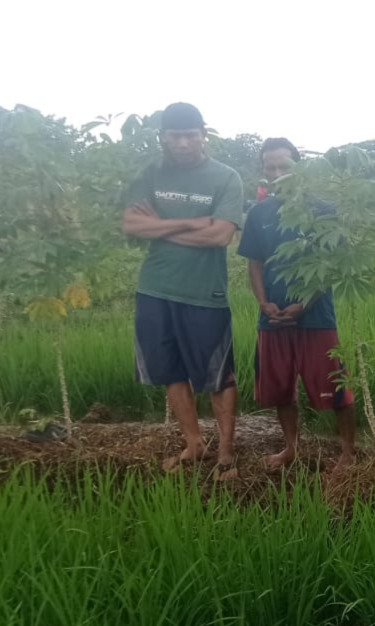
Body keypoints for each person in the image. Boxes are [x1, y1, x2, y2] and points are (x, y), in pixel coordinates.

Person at [121, 102, 244, 480]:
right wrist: (192, 223)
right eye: (175, 136)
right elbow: (132, 224)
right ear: (163, 138)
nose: (184, 143)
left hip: (204, 294)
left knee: (218, 376)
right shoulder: (150, 174)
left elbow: (220, 235)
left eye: (191, 135)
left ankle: (226, 451)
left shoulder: (226, 177)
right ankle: (194, 443)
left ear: (204, 135)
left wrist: (161, 225)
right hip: (155, 289)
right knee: (169, 371)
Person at [237, 137, 357, 474]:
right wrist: (263, 303)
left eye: (284, 166)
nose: (277, 173)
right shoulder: (258, 213)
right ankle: (291, 448)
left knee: (336, 389)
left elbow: (329, 266)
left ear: (298, 167)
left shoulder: (322, 210)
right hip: (272, 319)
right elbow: (255, 264)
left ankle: (348, 453)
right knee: (280, 391)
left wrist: (303, 305)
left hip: (316, 318)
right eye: (270, 167)